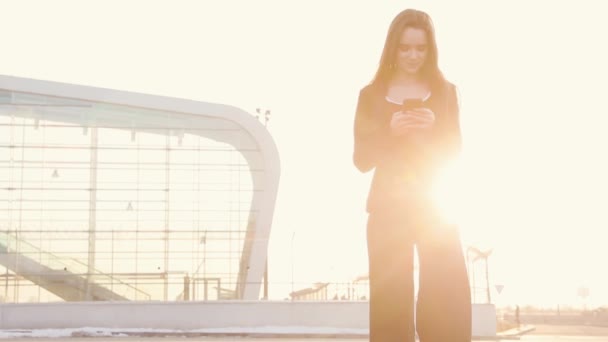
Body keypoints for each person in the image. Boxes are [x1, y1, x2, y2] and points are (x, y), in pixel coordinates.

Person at [352, 9, 472, 342]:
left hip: (436, 208)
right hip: (388, 209)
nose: (412, 55)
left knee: (447, 295)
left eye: (420, 48)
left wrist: (434, 129)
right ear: (393, 47)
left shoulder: (446, 93)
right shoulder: (370, 95)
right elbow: (361, 159)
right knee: (391, 302)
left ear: (430, 49)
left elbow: (456, 152)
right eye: (405, 48)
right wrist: (389, 131)